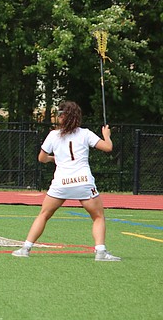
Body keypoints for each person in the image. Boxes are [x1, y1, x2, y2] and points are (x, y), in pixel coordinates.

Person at [12, 101, 120, 261]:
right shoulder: (85, 133)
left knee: (43, 215)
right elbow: (108, 147)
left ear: (62, 117)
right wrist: (107, 136)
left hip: (61, 183)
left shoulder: (53, 135)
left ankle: (25, 248)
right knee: (98, 216)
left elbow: (41, 158)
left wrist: (52, 159)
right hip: (84, 182)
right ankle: (100, 252)